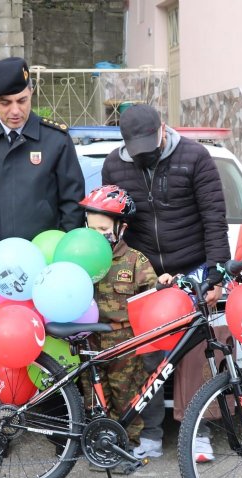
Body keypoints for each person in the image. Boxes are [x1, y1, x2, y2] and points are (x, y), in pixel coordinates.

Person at [0, 57, 85, 459]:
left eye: (23, 100)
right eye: (6, 102)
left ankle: (56, 420)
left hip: (44, 268)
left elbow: (71, 205)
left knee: (51, 345)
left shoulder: (56, 141)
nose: (16, 109)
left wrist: (66, 260)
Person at [101, 104, 231, 461]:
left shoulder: (195, 156)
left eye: (150, 143)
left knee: (192, 352)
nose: (144, 153)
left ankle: (198, 431)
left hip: (191, 267)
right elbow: (112, 221)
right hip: (146, 273)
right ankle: (151, 434)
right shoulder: (114, 164)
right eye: (135, 148)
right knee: (149, 352)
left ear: (163, 129)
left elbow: (214, 219)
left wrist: (217, 272)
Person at [79, 185, 159, 456]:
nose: (97, 236)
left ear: (121, 228)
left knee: (127, 397)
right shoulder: (78, 259)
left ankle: (127, 446)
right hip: (88, 341)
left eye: (103, 229)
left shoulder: (135, 262)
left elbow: (153, 300)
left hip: (124, 344)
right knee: (94, 399)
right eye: (91, 229)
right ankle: (98, 447)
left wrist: (165, 286)